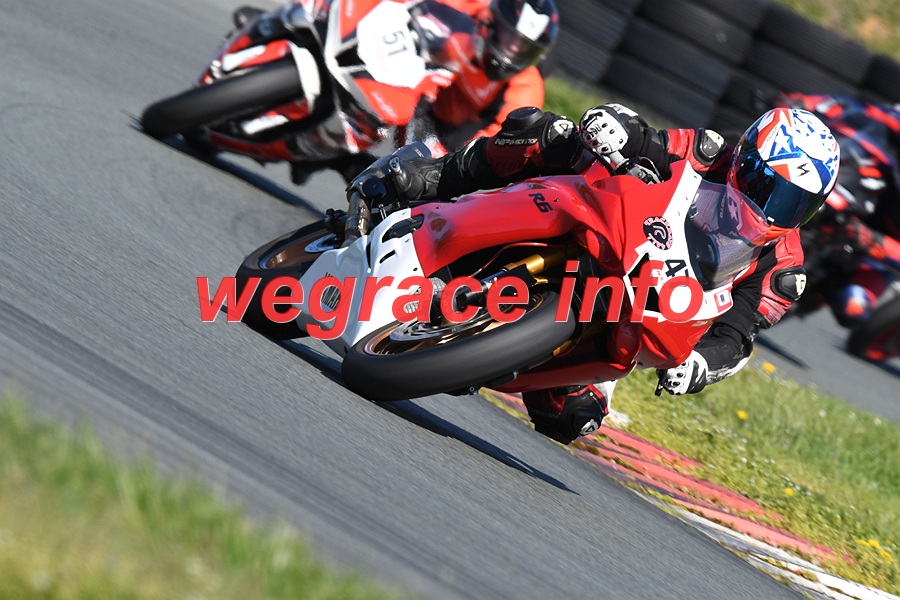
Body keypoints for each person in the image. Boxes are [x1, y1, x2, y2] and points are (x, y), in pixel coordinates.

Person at [348, 102, 839, 444]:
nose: (769, 208)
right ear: (745, 159)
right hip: (616, 229)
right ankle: (432, 178)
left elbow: (737, 335)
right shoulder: (708, 155)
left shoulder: (783, 268)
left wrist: (700, 365)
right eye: (766, 186)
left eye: (794, 203)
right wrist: (617, 128)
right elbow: (649, 140)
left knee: (573, 419)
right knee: (552, 135)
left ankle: (488, 355)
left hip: (641, 309)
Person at [776, 93, 900, 327]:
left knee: (853, 307)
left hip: (874, 252)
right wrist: (800, 103)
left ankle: (814, 292)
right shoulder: (886, 130)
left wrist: (873, 241)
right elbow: (852, 107)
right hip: (857, 193)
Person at [396, 0, 559, 156]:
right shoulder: (465, 11)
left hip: (456, 138)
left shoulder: (526, 89)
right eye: (510, 36)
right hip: (416, 92)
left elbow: (495, 146)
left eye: (524, 47)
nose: (514, 49)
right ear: (492, 21)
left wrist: (440, 159)